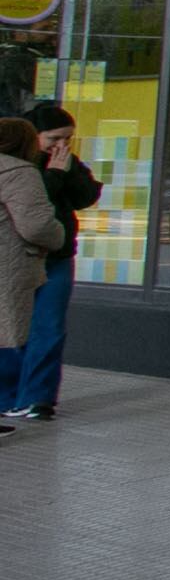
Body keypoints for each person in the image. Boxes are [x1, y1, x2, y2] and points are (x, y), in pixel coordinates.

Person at [2, 102, 99, 422]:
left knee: (49, 327)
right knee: (13, 328)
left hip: (57, 258)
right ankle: (9, 396)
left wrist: (66, 172)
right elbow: (32, 213)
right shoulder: (18, 167)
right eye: (54, 138)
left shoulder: (68, 163)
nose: (62, 146)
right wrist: (54, 177)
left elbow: (86, 195)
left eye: (68, 138)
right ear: (34, 136)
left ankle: (39, 397)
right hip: (21, 259)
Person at [0, 117, 67, 439]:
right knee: (7, 336)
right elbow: (37, 225)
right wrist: (60, 236)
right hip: (9, 267)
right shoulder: (18, 172)